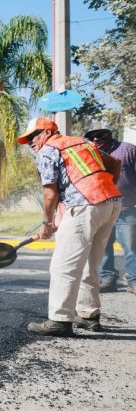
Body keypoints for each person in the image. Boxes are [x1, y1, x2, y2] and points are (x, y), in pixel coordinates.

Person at [17, 117, 121, 336]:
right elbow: (114, 164)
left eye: (33, 136)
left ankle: (60, 320)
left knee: (63, 266)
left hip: (86, 205)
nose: (30, 142)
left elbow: (50, 192)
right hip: (110, 202)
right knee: (90, 263)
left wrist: (47, 223)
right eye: (27, 140)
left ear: (46, 132)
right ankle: (89, 316)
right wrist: (100, 190)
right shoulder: (82, 143)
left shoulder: (48, 150)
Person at [85, 122, 136, 294]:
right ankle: (108, 279)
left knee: (131, 247)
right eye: (92, 136)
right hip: (101, 208)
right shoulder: (90, 153)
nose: (96, 139)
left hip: (126, 208)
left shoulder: (128, 150)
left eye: (100, 134)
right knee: (103, 247)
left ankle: (134, 281)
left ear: (109, 134)